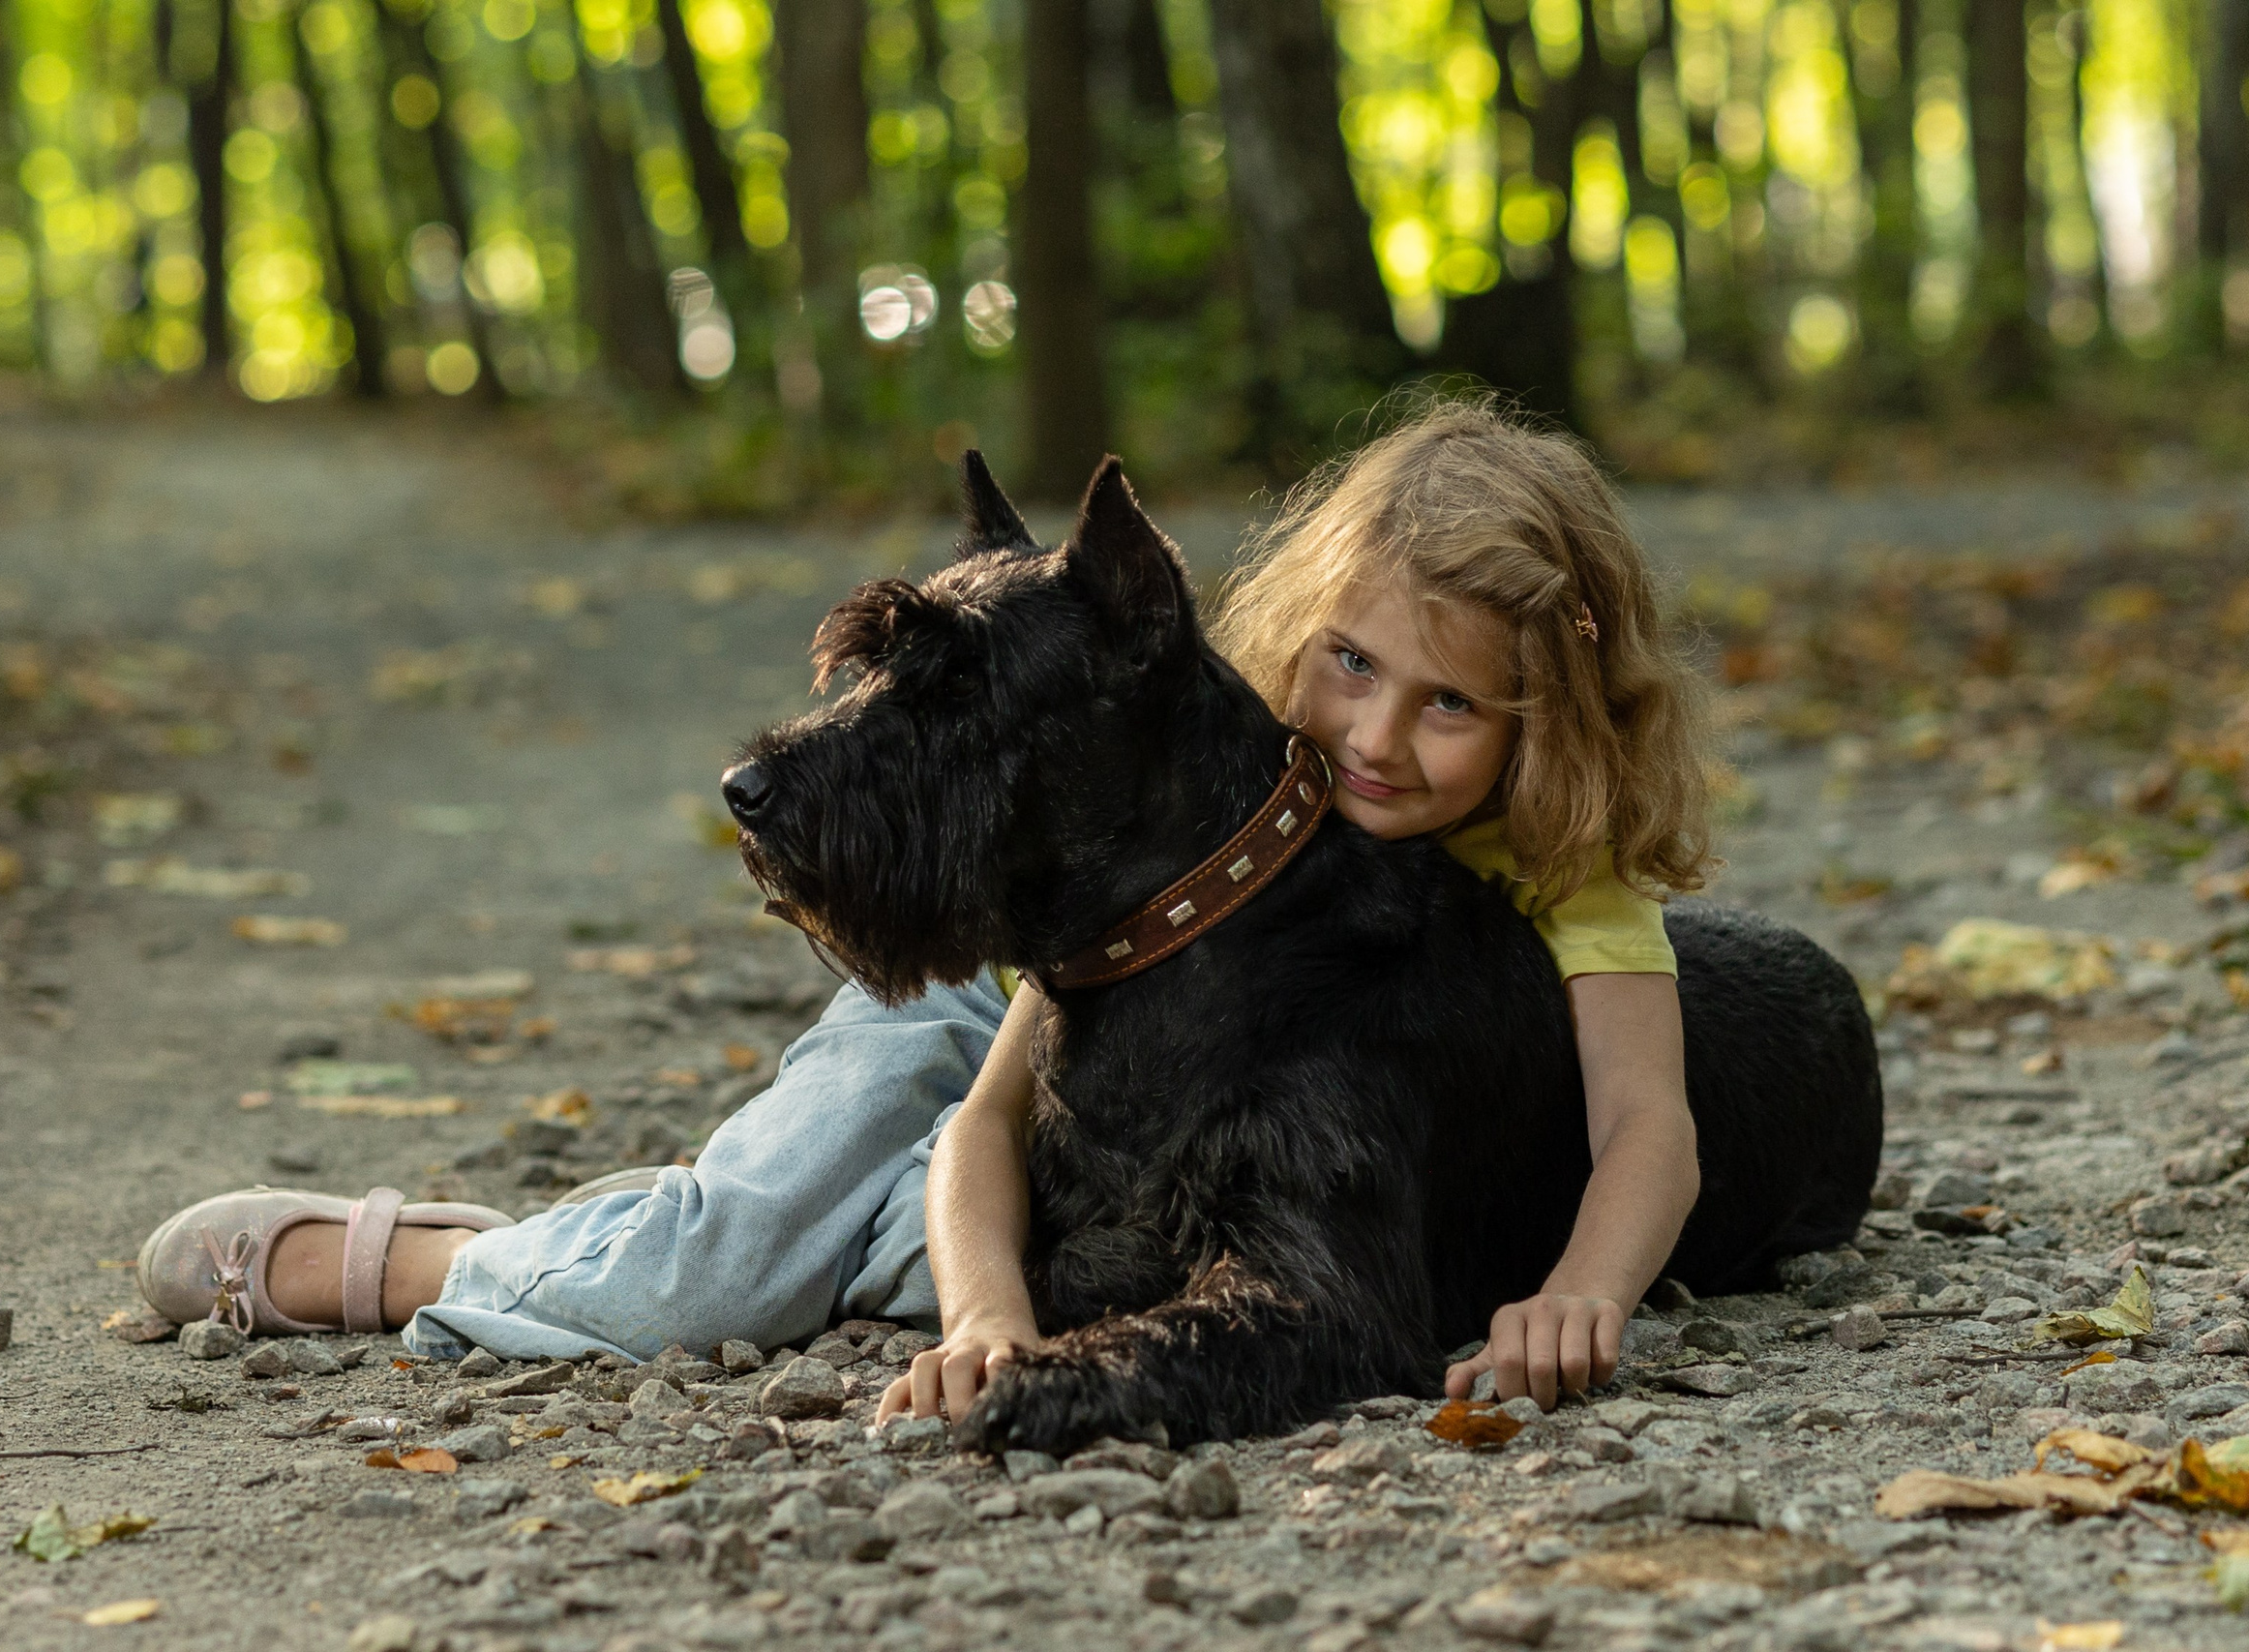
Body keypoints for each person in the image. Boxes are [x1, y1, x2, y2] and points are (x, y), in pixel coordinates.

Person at [136, 402, 1714, 1416]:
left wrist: (1586, 1294)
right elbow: (985, 1111)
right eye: (1354, 667)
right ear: (1297, 625)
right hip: (1013, 1006)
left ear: (1544, 724)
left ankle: (584, 1249)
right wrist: (991, 1321)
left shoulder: (1550, 882)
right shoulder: (1232, 782)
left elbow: (1648, 1116)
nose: (1373, 738)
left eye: (1448, 709)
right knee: (739, 1262)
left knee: (870, 1252)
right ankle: (438, 1267)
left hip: (1130, 1041)